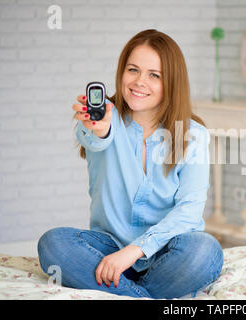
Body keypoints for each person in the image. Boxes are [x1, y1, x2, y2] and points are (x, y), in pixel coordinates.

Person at [37, 29, 223, 299]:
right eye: (133, 70)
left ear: (172, 82)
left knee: (206, 251)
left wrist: (134, 252)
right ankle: (143, 296)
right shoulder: (104, 119)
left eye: (154, 75)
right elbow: (95, 137)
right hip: (108, 249)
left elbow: (189, 213)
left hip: (166, 252)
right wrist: (97, 128)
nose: (139, 82)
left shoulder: (193, 135)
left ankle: (123, 292)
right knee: (53, 244)